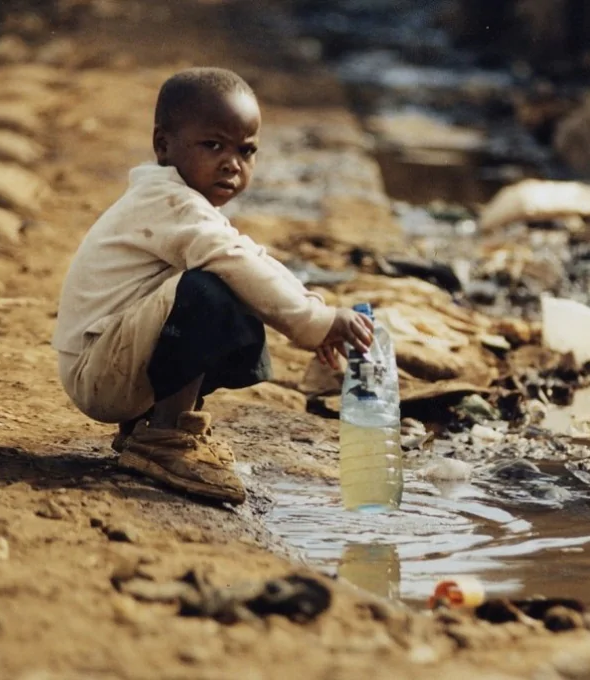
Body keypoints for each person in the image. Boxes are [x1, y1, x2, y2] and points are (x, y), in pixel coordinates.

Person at [52, 67, 373, 505]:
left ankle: (149, 425)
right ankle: (165, 437)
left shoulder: (185, 203)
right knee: (210, 291)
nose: (232, 163)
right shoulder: (167, 202)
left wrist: (314, 310)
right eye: (213, 145)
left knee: (235, 289)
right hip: (98, 373)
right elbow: (237, 261)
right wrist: (315, 321)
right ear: (163, 145)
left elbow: (250, 258)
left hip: (114, 363)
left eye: (246, 151)